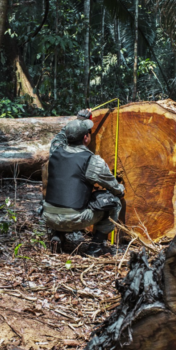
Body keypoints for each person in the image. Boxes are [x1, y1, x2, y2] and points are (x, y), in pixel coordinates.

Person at [42, 109, 125, 256]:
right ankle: (96, 247)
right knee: (113, 201)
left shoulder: (56, 150)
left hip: (48, 216)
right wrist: (121, 190)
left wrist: (79, 119)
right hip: (74, 219)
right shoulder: (91, 161)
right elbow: (113, 187)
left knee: (61, 195)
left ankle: (58, 236)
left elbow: (59, 137)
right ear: (86, 137)